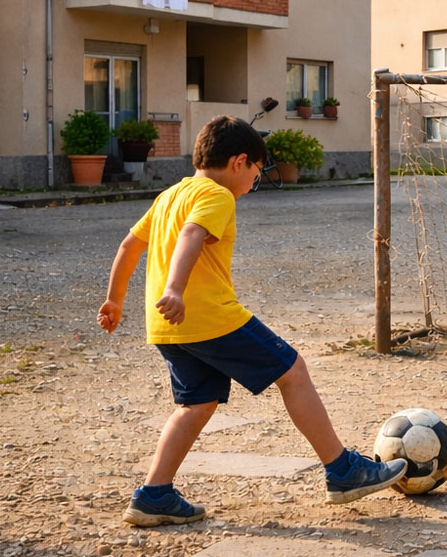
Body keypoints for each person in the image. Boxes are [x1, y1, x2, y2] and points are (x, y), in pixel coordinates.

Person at [98, 115, 405, 526]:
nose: (255, 181)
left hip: (168, 326)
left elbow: (130, 244)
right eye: (258, 171)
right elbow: (192, 235)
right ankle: (343, 471)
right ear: (240, 161)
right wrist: (174, 288)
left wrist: (114, 300)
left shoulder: (171, 193)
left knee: (196, 403)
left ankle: (154, 494)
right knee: (293, 371)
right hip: (208, 316)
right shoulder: (216, 195)